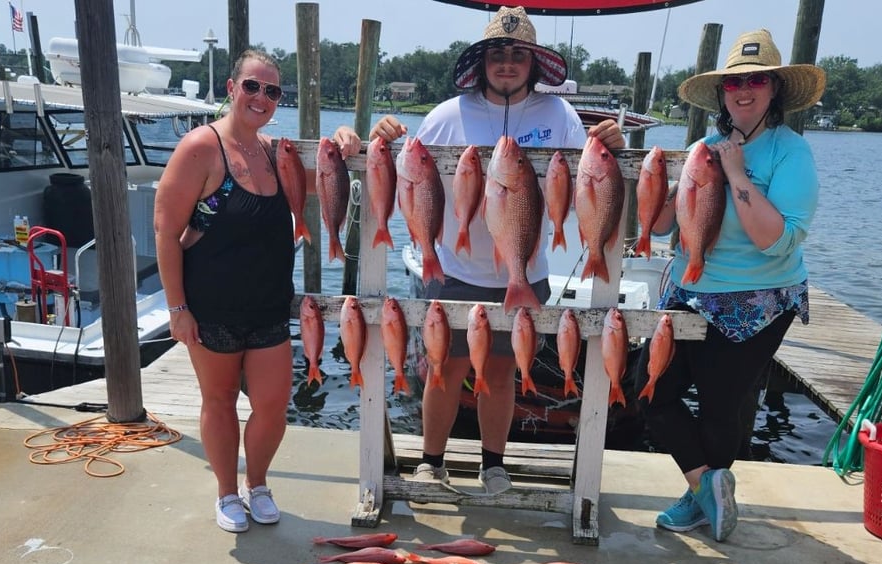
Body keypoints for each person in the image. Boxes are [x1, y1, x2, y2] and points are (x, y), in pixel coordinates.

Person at [370, 5, 624, 495]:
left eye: (517, 55)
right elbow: (403, 172)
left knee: (504, 372)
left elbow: (592, 176)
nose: (507, 63)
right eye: (497, 54)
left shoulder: (560, 115)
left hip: (528, 271)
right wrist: (380, 136)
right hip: (454, 268)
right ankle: (431, 461)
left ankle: (493, 464)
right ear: (481, 62)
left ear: (533, 63)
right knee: (444, 370)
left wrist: (609, 139)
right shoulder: (447, 116)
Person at [154, 49, 360, 532]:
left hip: (269, 307)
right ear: (231, 88)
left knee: (271, 405)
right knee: (220, 401)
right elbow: (165, 232)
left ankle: (259, 483)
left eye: (272, 91)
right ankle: (227, 492)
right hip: (211, 308)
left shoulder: (273, 153)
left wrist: (348, 140)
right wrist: (177, 308)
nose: (261, 97)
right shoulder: (201, 148)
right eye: (252, 86)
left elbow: (325, 182)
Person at [638, 28, 825, 541]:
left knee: (722, 406)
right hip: (688, 290)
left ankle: (702, 496)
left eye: (756, 80)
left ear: (775, 90)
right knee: (649, 392)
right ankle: (706, 488)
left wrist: (737, 175)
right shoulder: (703, 147)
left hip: (759, 301)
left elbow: (775, 240)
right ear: (721, 93)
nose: (744, 90)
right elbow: (658, 228)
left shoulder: (792, 154)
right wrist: (673, 184)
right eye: (733, 82)